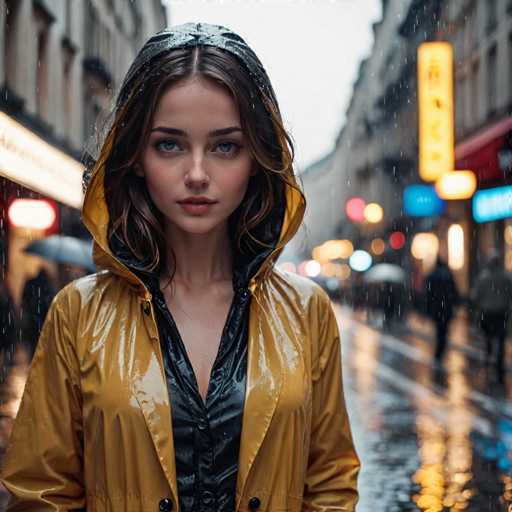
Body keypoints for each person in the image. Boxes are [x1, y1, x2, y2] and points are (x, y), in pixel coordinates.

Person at [0, 23, 360, 511]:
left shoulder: (306, 312)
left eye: (224, 146)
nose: (196, 174)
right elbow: (41, 493)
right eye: (169, 144)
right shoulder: (78, 314)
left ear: (256, 157)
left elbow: (330, 485)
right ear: (136, 156)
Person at [471, 251, 512, 381]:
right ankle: (498, 365)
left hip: (487, 313)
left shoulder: (483, 278)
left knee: (488, 337)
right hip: (501, 313)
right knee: (500, 339)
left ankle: (488, 361)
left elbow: (475, 296)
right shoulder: (506, 278)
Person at [424, 257, 460, 363]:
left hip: (436, 308)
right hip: (446, 308)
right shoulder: (448, 276)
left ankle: (439, 350)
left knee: (439, 328)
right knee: (444, 329)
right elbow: (454, 292)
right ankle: (441, 347)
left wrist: (427, 307)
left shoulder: (432, 276)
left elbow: (428, 294)